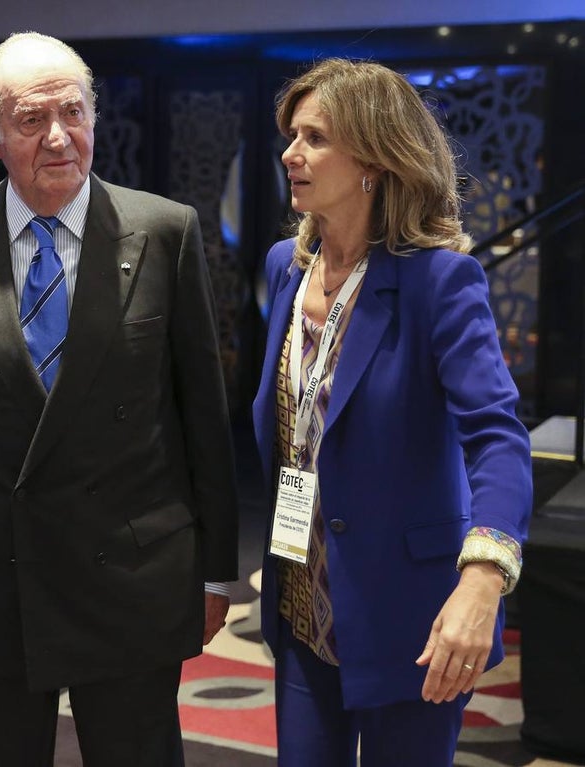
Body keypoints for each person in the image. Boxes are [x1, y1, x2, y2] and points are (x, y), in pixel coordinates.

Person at [0, 31, 239, 767]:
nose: (57, 137)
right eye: (31, 120)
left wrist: (215, 568)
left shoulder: (164, 230)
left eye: (72, 113)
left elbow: (203, 414)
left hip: (131, 567)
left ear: (94, 118)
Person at [252, 58, 531, 766]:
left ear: (374, 161)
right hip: (302, 602)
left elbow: (497, 437)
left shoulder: (439, 279)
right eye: (291, 135)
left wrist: (483, 578)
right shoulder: (285, 266)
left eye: (315, 138)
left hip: (411, 617)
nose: (290, 153)